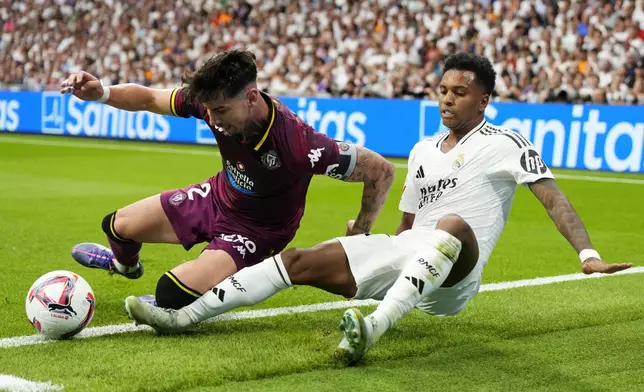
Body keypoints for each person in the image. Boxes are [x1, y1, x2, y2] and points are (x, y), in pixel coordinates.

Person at [122, 52, 632, 365]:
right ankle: (184, 317)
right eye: (442, 91)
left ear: (484, 102)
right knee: (296, 262)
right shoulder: (422, 151)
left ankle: (372, 327)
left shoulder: (507, 142)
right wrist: (369, 239)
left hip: (458, 273)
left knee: (451, 224)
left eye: (461, 93)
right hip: (414, 255)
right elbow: (407, 226)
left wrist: (587, 255)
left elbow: (553, 198)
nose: (447, 100)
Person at [59, 49, 395, 309]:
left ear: (251, 98)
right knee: (116, 225)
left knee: (170, 294)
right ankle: (125, 266)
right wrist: (102, 92)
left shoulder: (299, 145)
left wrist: (361, 231)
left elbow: (382, 170)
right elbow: (148, 98)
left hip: (258, 232)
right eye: (210, 110)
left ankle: (196, 292)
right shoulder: (210, 101)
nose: (214, 120)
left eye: (221, 111)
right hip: (216, 197)